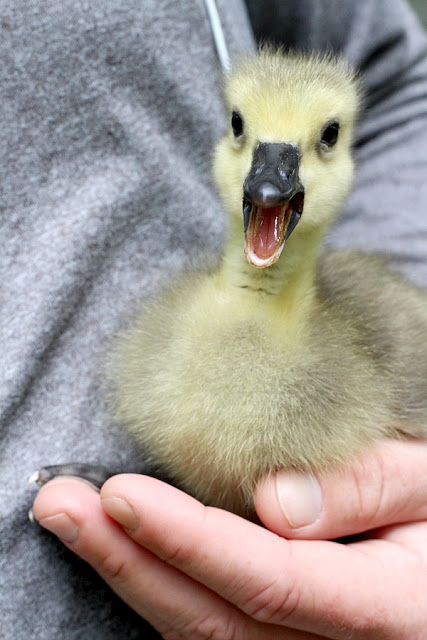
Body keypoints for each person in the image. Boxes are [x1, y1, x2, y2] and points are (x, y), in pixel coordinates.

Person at [2, 0, 427, 637]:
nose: (270, 178)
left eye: (321, 142)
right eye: (244, 133)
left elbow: (393, 82)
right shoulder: (160, 342)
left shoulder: (381, 347)